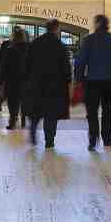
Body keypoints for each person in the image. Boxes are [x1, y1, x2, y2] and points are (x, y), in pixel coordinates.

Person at [75, 14, 111, 151]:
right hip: (110, 81)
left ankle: (93, 139)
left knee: (91, 111)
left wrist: (78, 79)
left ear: (97, 24)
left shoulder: (89, 40)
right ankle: (107, 139)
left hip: (93, 81)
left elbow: (81, 61)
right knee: (107, 110)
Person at [25, 19, 72, 148]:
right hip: (55, 86)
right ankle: (49, 140)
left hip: (37, 83)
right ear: (56, 28)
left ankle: (33, 132)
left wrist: (29, 79)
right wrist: (68, 82)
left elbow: (27, 64)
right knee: (51, 114)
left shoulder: (35, 43)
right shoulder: (60, 46)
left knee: (36, 111)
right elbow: (66, 68)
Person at [0, 28, 28, 130]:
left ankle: (12, 121)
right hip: (25, 79)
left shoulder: (10, 49)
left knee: (12, 101)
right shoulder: (29, 48)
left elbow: (5, 66)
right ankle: (23, 119)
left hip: (12, 80)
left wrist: (1, 80)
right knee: (23, 100)